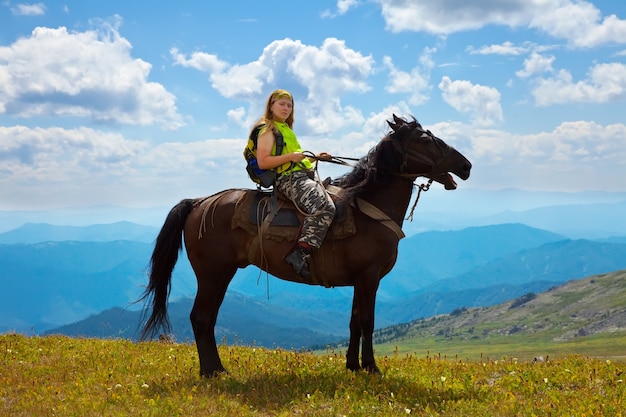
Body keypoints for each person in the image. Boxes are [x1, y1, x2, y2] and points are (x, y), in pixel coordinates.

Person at [253, 89, 336, 279]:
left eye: (289, 105)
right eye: (281, 104)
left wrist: (316, 158)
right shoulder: (267, 130)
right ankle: (300, 253)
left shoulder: (287, 130)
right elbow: (263, 162)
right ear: (271, 105)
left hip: (302, 175)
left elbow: (295, 160)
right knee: (323, 207)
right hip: (288, 180)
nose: (286, 108)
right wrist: (291, 156)